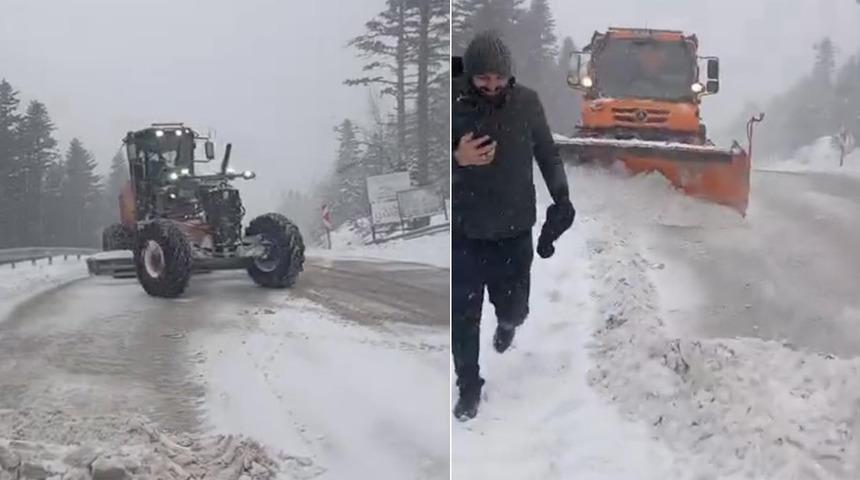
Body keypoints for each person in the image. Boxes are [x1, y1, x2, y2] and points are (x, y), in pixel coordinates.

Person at [451, 31, 575, 421]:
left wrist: (562, 197)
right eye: (483, 78)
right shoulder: (450, 105)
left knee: (514, 309)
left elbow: (547, 153)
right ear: (469, 75)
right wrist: (456, 157)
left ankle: (508, 325)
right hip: (465, 233)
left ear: (510, 76)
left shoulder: (527, 104)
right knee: (463, 318)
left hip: (514, 231)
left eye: (499, 77)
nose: (491, 85)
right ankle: (469, 386)